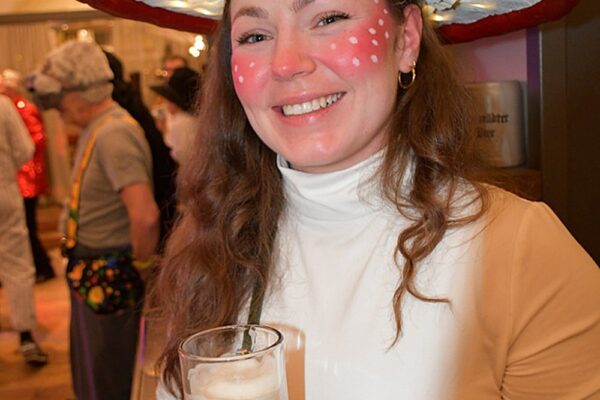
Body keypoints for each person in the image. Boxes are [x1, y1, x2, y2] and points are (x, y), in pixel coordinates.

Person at [152, 0, 600, 399]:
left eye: (328, 18)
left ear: (406, 40)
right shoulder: (211, 244)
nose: (286, 63)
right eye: (255, 36)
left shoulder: (517, 247)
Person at [28, 40, 160, 400]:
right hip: (94, 272)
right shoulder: (99, 127)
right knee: (96, 367)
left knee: (109, 371)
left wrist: (140, 268)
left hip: (109, 273)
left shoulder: (115, 132)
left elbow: (145, 215)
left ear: (80, 91)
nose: (59, 107)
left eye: (62, 96)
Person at [104, 50, 178, 248]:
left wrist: (142, 259)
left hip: (156, 202)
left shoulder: (117, 124)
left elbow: (144, 214)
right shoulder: (127, 105)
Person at [0, 95, 49, 366]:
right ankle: (26, 336)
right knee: (17, 264)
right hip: (4, 191)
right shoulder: (3, 105)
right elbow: (25, 148)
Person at [0, 69, 55, 283]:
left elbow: (34, 141)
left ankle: (43, 267)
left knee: (26, 230)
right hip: (16, 176)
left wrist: (11, 164)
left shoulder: (23, 107)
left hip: (26, 176)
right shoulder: (9, 107)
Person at [150, 66, 201, 166]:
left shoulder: (182, 122)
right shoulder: (192, 119)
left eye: (169, 98)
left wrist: (163, 130)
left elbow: (176, 157)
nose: (166, 102)